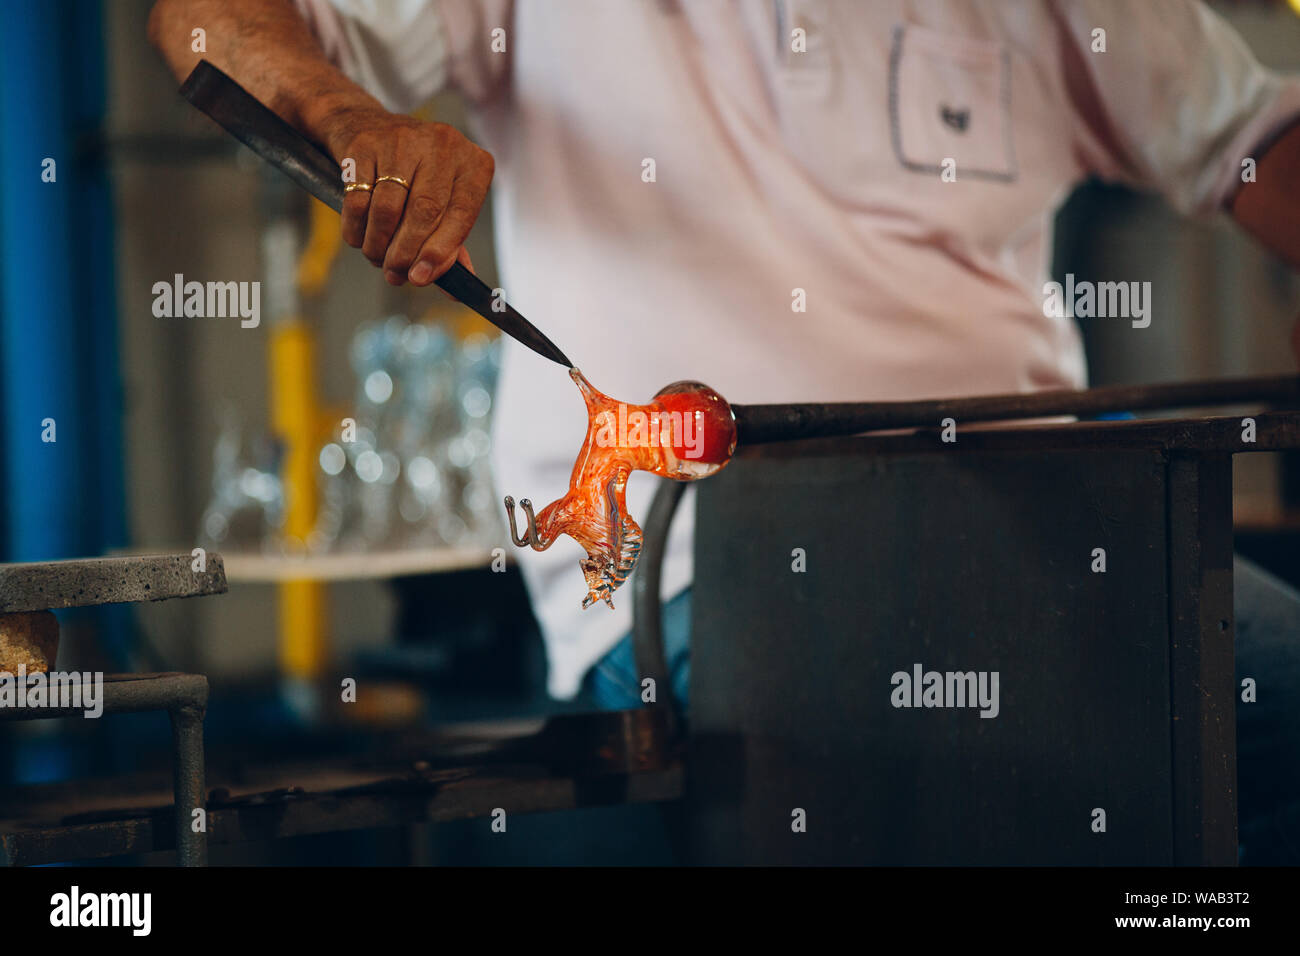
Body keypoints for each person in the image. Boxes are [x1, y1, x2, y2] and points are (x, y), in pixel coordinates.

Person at [149, 0, 1300, 857]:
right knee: (990, 760)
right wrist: (352, 117)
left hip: (1049, 532)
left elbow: (1257, 137)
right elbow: (208, 21)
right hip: (699, 567)